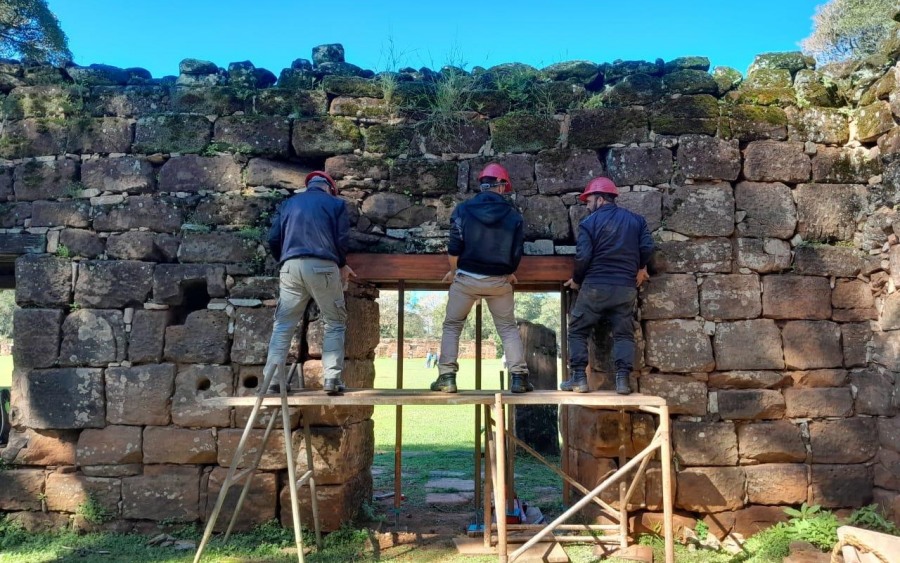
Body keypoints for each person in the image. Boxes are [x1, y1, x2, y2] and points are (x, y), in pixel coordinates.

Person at [432, 163, 532, 394]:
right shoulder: (513, 214)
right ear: (502, 187)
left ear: (482, 185)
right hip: (499, 281)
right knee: (507, 328)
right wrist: (509, 271)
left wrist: (454, 271)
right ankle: (519, 377)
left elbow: (455, 246)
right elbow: (517, 251)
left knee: (453, 326)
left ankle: (447, 377)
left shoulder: (463, 209)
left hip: (466, 279)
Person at [263, 171, 355, 396]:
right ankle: (332, 378)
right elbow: (342, 239)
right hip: (323, 265)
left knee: (283, 325)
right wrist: (342, 264)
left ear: (309, 185)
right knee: (334, 321)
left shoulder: (288, 204)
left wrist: (285, 259)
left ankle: (273, 380)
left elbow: (273, 238)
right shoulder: (336, 204)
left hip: (290, 266)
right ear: (329, 188)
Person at [561, 177, 654, 395]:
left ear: (600, 199)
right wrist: (641, 267)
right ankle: (623, 382)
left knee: (577, 330)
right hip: (625, 287)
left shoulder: (588, 224)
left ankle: (579, 379)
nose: (587, 205)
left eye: (589, 200)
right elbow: (648, 246)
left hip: (595, 287)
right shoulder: (637, 221)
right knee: (623, 334)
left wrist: (576, 280)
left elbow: (583, 257)